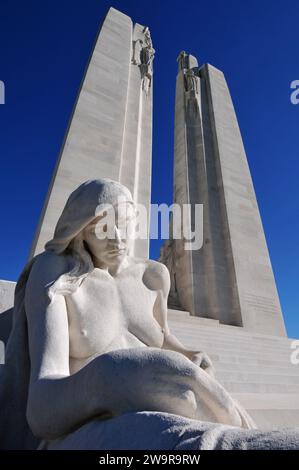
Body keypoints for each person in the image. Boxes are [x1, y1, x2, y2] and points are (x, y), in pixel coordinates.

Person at [7, 178, 299, 451]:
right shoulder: (56, 274)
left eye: (123, 224)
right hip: (90, 425)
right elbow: (41, 408)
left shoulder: (153, 276)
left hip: (169, 402)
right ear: (79, 230)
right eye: (100, 227)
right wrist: (111, 378)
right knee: (207, 444)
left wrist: (188, 353)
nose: (118, 239)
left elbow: (161, 338)